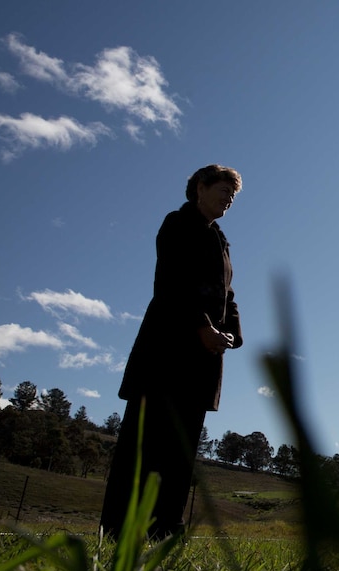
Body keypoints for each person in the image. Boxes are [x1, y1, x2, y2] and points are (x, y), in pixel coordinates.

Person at [101, 164, 244, 539]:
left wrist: (230, 333)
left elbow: (227, 295)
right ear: (200, 187)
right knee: (145, 443)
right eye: (223, 191)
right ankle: (119, 528)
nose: (229, 199)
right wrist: (202, 327)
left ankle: (166, 527)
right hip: (166, 353)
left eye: (233, 195)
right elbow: (172, 282)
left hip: (202, 360)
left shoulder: (221, 242)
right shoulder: (177, 225)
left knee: (181, 447)